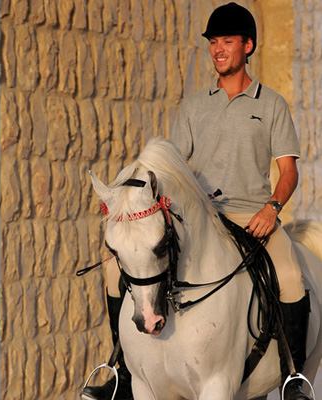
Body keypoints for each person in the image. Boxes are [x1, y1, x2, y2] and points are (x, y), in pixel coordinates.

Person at [83, 3, 310, 400]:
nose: (218, 49)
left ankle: (293, 378)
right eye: (213, 43)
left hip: (251, 215)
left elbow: (288, 172)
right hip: (200, 216)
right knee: (112, 270)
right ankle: (119, 367)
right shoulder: (192, 106)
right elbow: (171, 168)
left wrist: (272, 209)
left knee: (290, 277)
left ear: (248, 46)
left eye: (226, 41)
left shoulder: (272, 105)